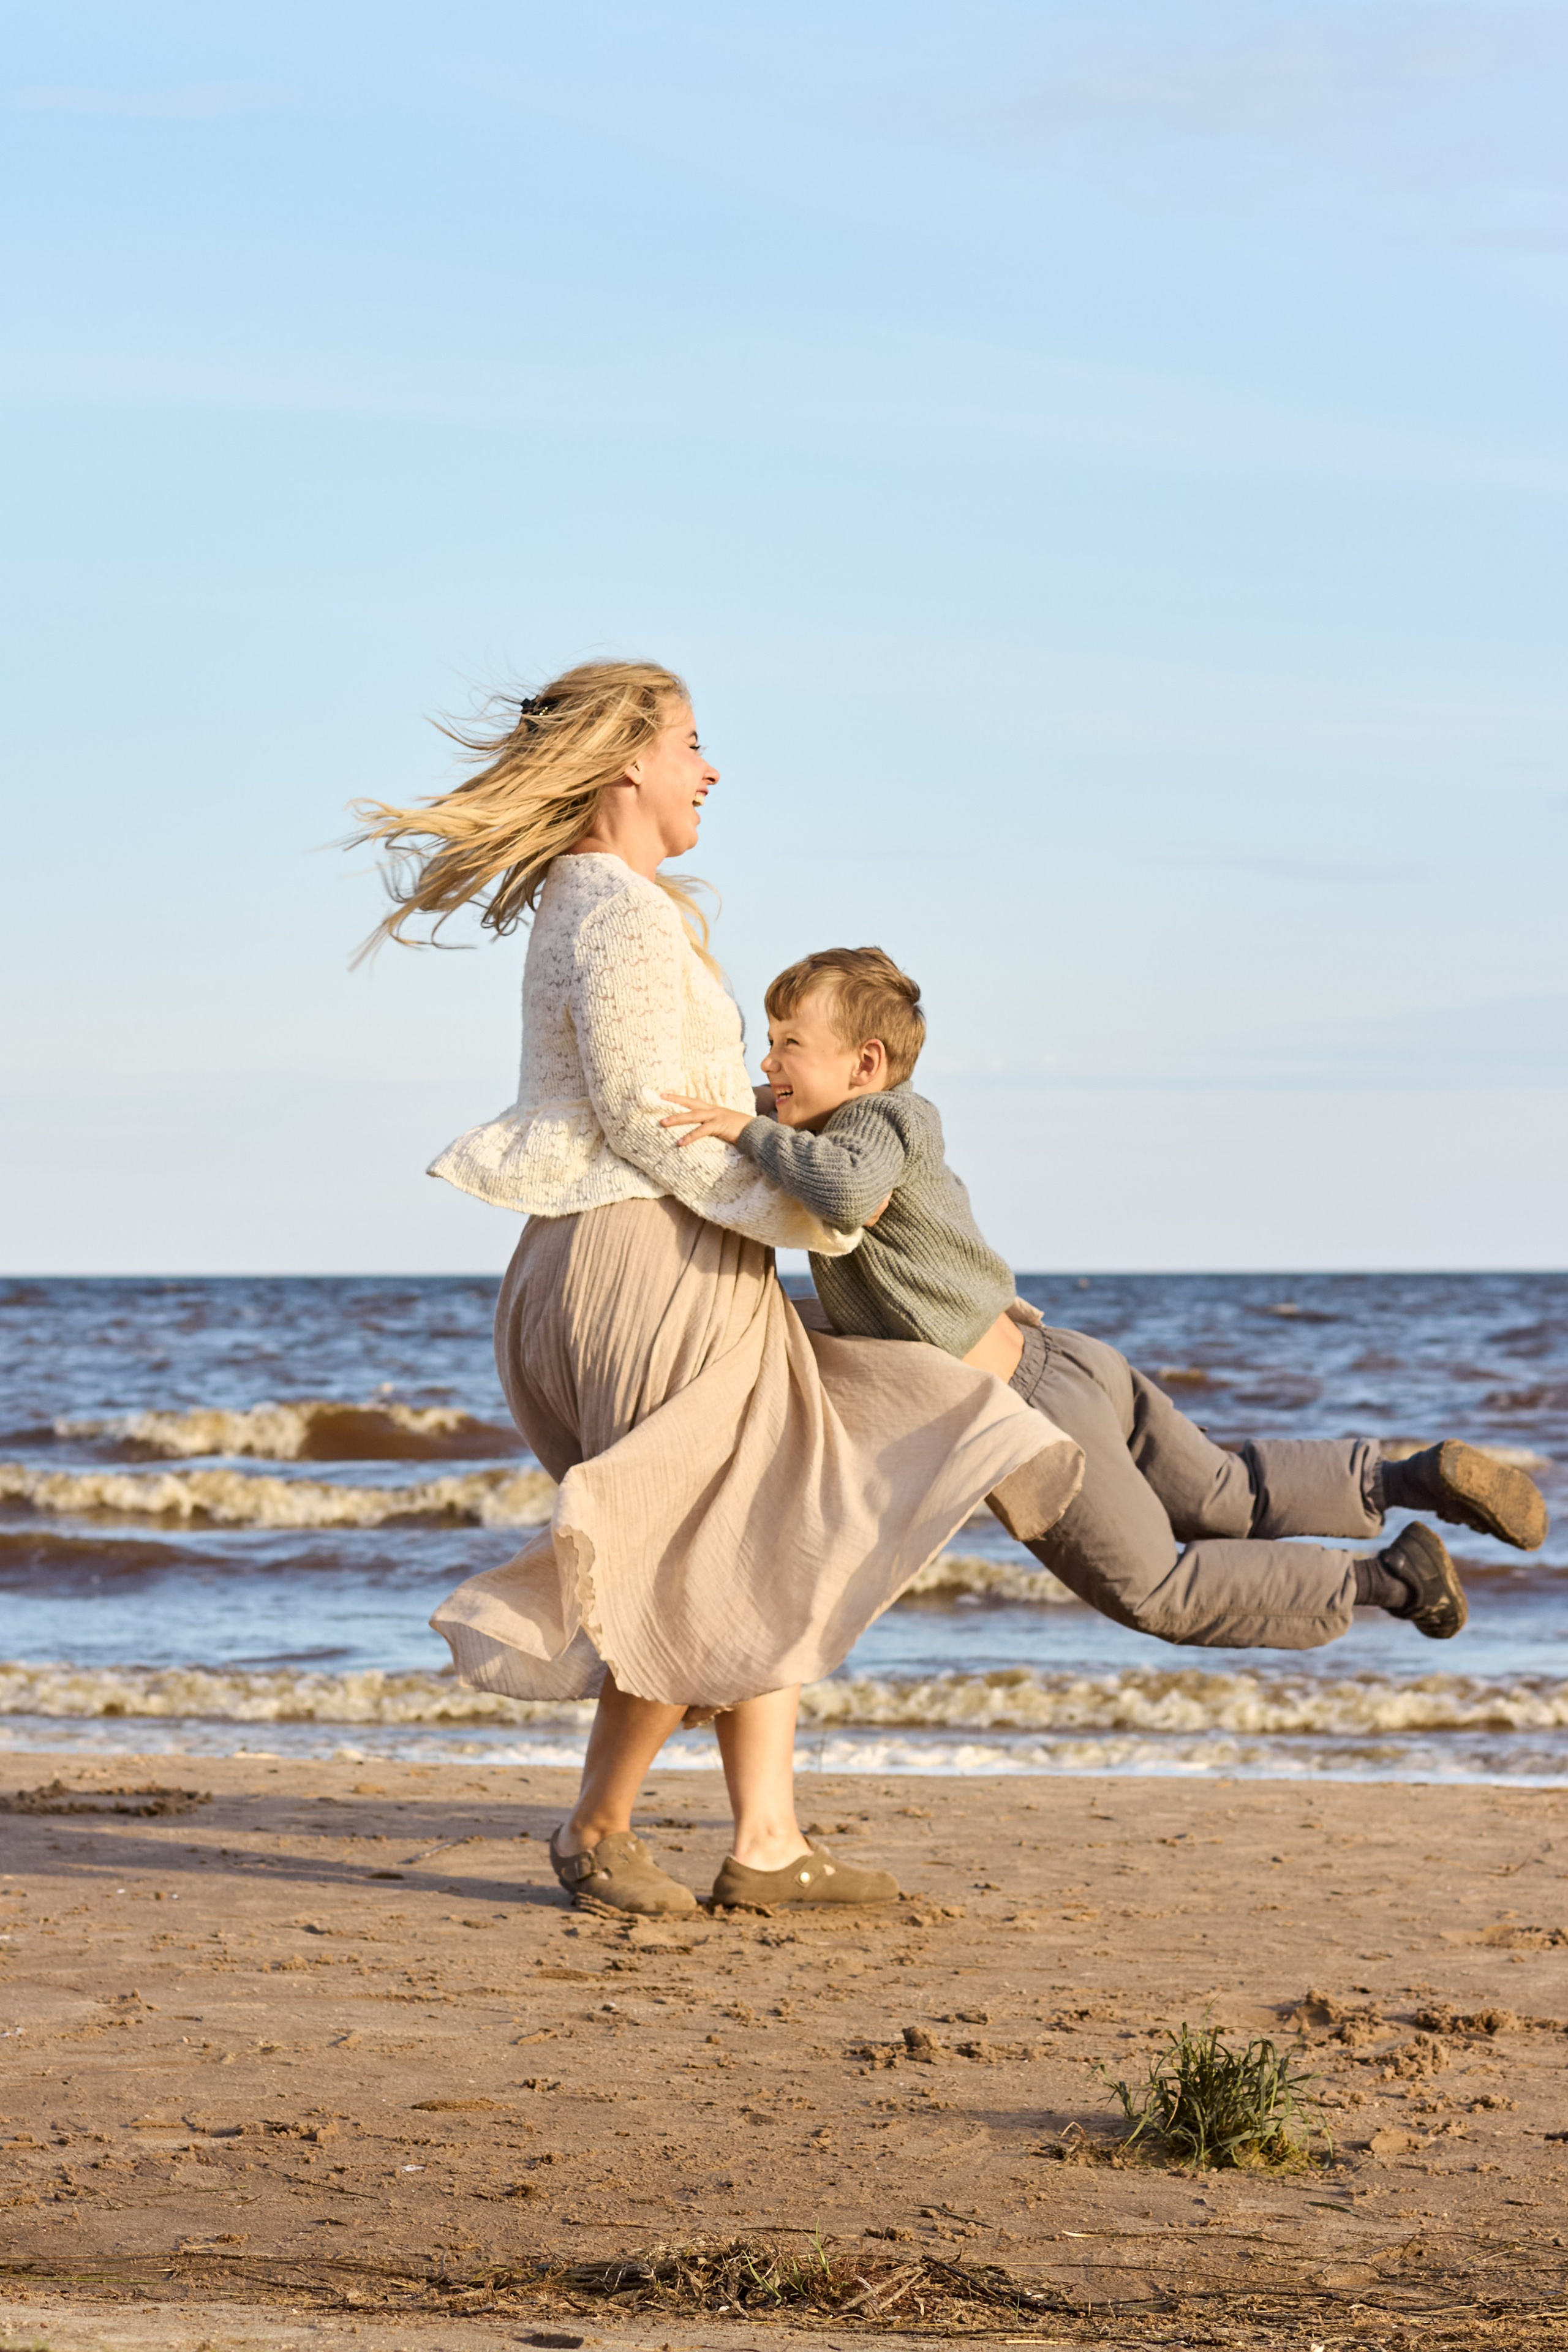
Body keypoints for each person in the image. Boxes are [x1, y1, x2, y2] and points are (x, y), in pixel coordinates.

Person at [350, 663, 1083, 1920]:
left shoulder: (609, 904)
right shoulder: (616, 908)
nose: (711, 767)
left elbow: (666, 1105)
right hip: (648, 1255)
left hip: (620, 1251)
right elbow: (649, 1119)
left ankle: (767, 1844)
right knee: (701, 1529)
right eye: (692, 741)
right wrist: (822, 1212)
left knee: (765, 1517)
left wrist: (764, 1146)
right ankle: (597, 1827)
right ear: (629, 759)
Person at [663, 945, 1549, 1650]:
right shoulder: (851, 1120)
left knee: (1156, 1588)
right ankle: (1411, 1479)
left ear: (865, 1063)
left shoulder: (877, 1122)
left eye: (787, 1045)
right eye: (767, 1043)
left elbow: (848, 1191)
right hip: (1066, 1365)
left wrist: (742, 1125)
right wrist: (732, 1115)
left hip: (1027, 1417)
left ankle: (1391, 1580)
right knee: (1225, 1494)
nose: (767, 1062)